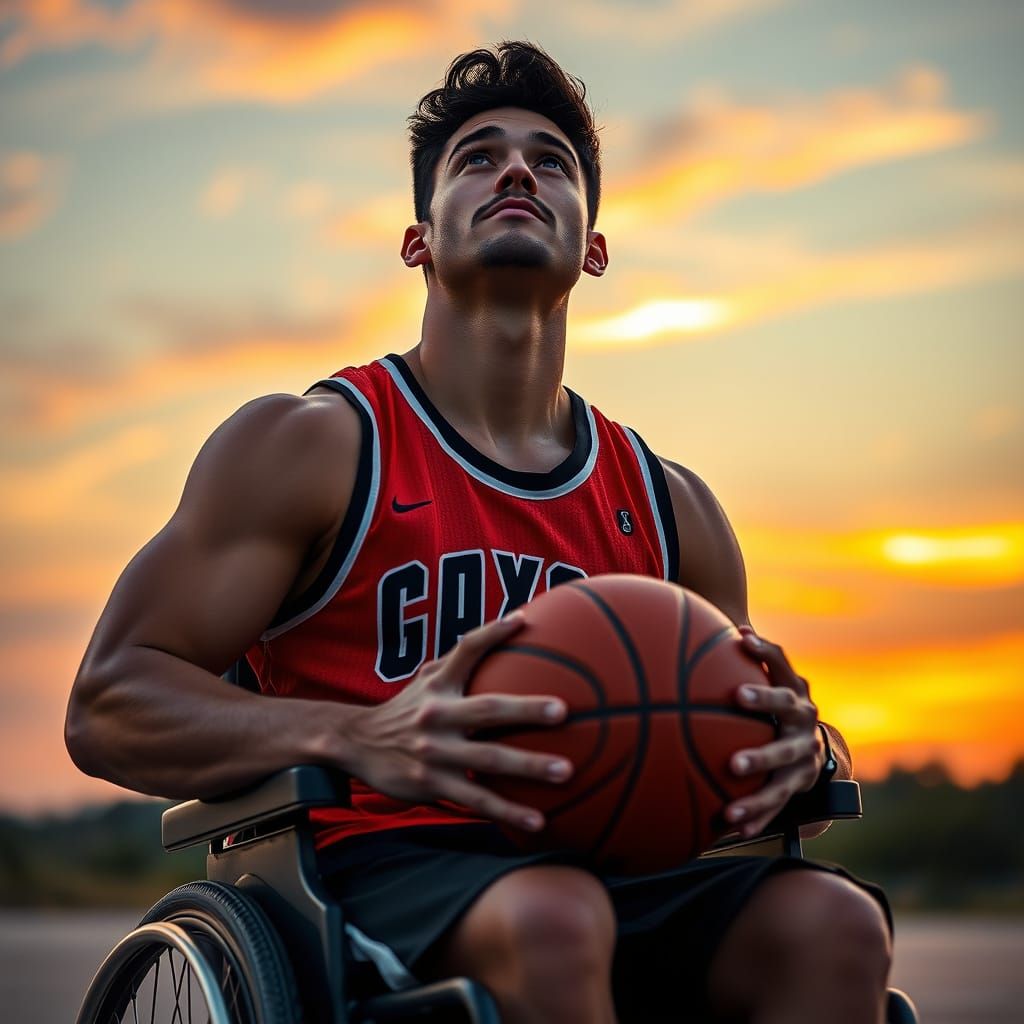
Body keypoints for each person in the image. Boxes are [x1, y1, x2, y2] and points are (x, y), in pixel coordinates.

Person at [66, 41, 894, 1024]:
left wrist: (807, 750)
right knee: (554, 915)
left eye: (550, 161)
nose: (515, 170)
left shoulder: (671, 506)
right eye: (476, 158)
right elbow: (109, 701)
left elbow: (745, 724)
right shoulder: (316, 444)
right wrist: (357, 733)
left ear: (593, 243)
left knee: (834, 924)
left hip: (619, 861)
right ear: (420, 240)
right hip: (376, 866)